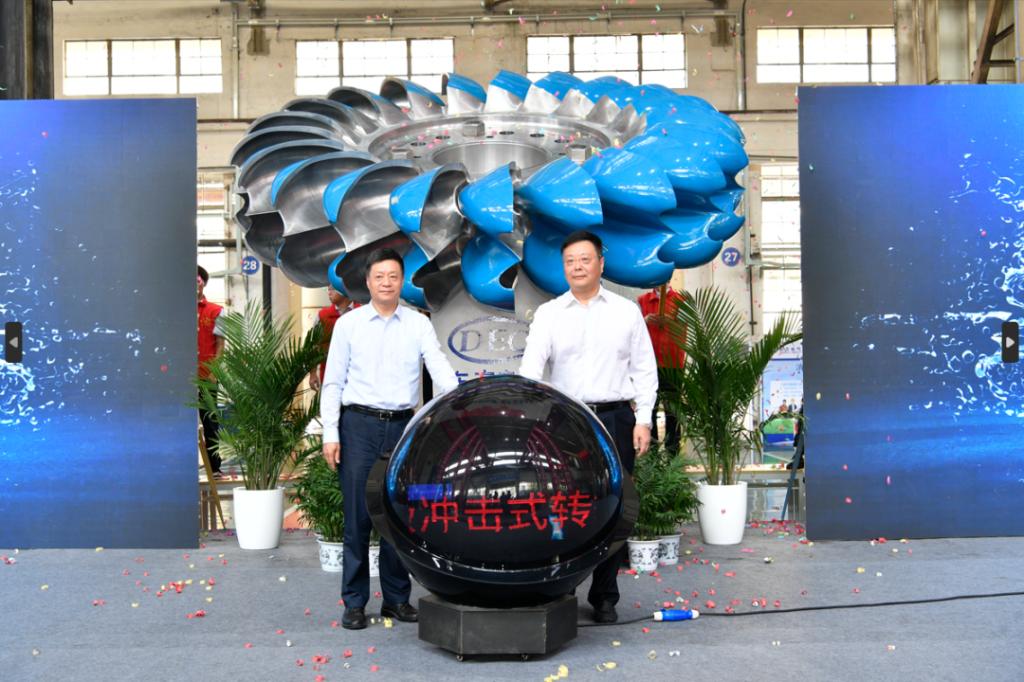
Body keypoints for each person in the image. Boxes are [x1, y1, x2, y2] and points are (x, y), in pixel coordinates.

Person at [519, 230, 658, 624]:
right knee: (562, 505)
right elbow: (531, 369)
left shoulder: (625, 311)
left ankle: (605, 595)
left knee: (613, 506)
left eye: (584, 259)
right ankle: (561, 588)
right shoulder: (549, 314)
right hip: (566, 421)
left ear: (600, 263)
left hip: (616, 418)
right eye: (570, 261)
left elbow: (644, 369)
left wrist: (644, 419)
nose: (577, 267)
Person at [320, 248, 458, 631]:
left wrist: (458, 401)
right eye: (379, 276)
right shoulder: (349, 325)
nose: (386, 283)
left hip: (403, 427)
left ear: (402, 281)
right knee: (358, 519)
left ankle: (396, 600)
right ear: (368, 282)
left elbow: (440, 369)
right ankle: (354, 602)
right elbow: (333, 382)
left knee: (398, 517)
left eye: (393, 276)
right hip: (358, 427)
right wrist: (330, 432)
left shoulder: (418, 324)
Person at [637, 286, 686, 452]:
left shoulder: (681, 300)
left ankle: (673, 455)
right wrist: (646, 320)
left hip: (673, 365)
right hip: (649, 365)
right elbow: (633, 327)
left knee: (672, 412)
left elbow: (686, 326)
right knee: (649, 410)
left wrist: (670, 322)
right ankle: (652, 455)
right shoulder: (643, 300)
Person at [197, 266, 225, 475]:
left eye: (197, 280)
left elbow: (221, 345)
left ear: (203, 283)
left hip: (207, 375)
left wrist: (215, 372)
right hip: (181, 377)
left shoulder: (216, 311)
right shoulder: (175, 310)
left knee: (209, 421)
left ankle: (214, 466)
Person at [308, 285, 355, 392]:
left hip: (358, 377)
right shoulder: (322, 316)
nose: (329, 292)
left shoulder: (361, 312)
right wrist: (313, 373)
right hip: (330, 377)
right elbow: (314, 345)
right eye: (328, 289)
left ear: (344, 288)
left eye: (332, 288)